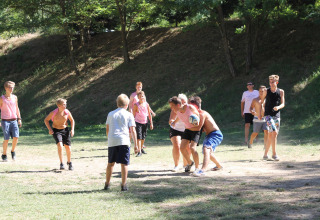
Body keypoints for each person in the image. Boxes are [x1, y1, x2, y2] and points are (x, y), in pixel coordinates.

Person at [105, 94, 138, 191]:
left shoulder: (110, 114)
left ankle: (107, 184)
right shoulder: (129, 114)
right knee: (124, 164)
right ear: (127, 104)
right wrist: (136, 145)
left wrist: (109, 138)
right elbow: (133, 130)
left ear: (117, 103)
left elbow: (107, 128)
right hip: (124, 141)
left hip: (112, 140)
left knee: (110, 163)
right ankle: (124, 185)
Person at [189, 96, 223, 177]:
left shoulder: (202, 114)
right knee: (206, 151)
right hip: (209, 135)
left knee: (206, 148)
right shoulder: (196, 115)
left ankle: (202, 171)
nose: (188, 108)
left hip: (215, 134)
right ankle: (219, 166)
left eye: (190, 106)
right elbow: (202, 129)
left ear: (194, 106)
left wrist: (188, 127)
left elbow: (198, 128)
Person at [168, 96, 200, 172]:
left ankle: (197, 168)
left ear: (178, 105)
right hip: (187, 130)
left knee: (192, 148)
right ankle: (190, 162)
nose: (171, 108)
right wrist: (174, 122)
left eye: (172, 106)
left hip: (195, 130)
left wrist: (197, 121)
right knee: (182, 148)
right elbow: (179, 117)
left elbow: (198, 114)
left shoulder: (189, 107)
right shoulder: (177, 111)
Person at [44, 98, 75, 170]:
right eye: (64, 104)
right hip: (56, 130)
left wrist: (72, 129)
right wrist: (50, 129)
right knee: (60, 145)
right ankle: (61, 163)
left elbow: (72, 120)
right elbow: (46, 120)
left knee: (68, 147)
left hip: (65, 130)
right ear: (59, 105)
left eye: (65, 104)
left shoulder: (67, 112)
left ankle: (69, 162)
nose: (65, 105)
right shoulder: (54, 112)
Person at [263, 75, 285, 161]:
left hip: (277, 115)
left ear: (277, 82)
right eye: (270, 82)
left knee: (271, 135)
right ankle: (274, 154)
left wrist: (278, 107)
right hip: (268, 115)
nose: (271, 84)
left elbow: (283, 104)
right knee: (274, 132)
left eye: (273, 82)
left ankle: (265, 154)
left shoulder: (281, 91)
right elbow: (262, 101)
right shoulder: (266, 91)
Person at [0, 81, 22, 161]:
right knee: (6, 139)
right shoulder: (2, 99)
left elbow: (17, 108)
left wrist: (19, 118)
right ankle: (4, 154)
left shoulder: (15, 97)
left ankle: (13, 151)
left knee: (16, 137)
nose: (11, 89)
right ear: (6, 88)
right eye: (10, 87)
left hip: (14, 120)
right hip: (5, 121)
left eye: (13, 87)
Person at [168, 94, 190, 172]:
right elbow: (170, 120)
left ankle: (186, 164)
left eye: (184, 101)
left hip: (186, 130)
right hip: (175, 129)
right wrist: (172, 122)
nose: (183, 103)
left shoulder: (189, 108)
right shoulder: (175, 109)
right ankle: (176, 165)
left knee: (188, 148)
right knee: (177, 144)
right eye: (182, 101)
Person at [133, 91, 153, 157]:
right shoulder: (136, 105)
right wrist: (132, 124)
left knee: (143, 137)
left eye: (142, 96)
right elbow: (133, 115)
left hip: (145, 122)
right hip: (138, 122)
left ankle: (141, 149)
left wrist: (151, 123)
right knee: (139, 136)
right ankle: (139, 152)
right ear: (138, 98)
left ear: (144, 96)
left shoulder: (146, 104)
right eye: (140, 96)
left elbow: (149, 114)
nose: (142, 97)